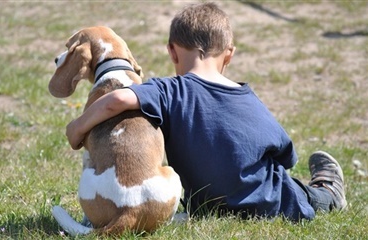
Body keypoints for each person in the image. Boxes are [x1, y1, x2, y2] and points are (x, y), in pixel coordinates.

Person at [66, 2, 346, 221]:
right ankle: (326, 192)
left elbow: (116, 99)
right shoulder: (248, 100)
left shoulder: (168, 91)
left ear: (172, 53)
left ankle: (329, 191)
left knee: (313, 195)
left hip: (207, 206)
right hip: (278, 204)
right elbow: (285, 155)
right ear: (229, 55)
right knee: (307, 197)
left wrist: (78, 127)